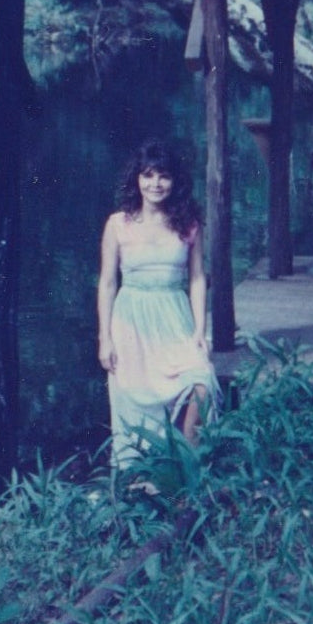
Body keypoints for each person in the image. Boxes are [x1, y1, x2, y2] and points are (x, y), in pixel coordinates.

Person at [97, 138, 219, 468]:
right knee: (136, 399)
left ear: (174, 181)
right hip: (131, 321)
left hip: (173, 316)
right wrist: (104, 338)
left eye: (163, 176)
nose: (155, 184)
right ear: (136, 179)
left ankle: (186, 465)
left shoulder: (189, 223)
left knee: (201, 383)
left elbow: (196, 279)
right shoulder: (117, 224)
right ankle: (139, 478)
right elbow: (108, 283)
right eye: (148, 175)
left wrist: (199, 331)